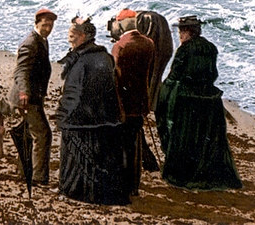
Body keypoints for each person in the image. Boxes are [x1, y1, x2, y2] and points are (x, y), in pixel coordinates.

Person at [156, 15, 242, 190]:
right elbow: (213, 74)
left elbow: (175, 76)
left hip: (188, 100)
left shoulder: (184, 50)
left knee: (185, 138)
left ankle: (183, 175)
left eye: (181, 31)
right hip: (209, 99)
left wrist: (164, 92)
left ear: (187, 32)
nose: (179, 34)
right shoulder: (211, 47)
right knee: (207, 141)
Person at [55, 17, 130, 205]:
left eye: (72, 36)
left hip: (81, 121)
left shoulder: (81, 60)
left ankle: (75, 191)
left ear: (83, 36)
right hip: (104, 120)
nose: (69, 39)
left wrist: (63, 116)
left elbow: (74, 94)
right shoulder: (105, 57)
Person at [110, 12, 157, 197]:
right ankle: (134, 185)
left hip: (123, 103)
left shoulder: (119, 46)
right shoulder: (149, 43)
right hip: (140, 102)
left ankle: (124, 184)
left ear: (122, 25)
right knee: (135, 144)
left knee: (123, 145)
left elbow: (115, 77)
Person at [12, 7, 56, 186]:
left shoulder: (42, 40)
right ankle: (38, 177)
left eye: (51, 25)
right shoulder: (31, 43)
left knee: (29, 133)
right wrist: (24, 92)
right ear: (37, 23)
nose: (48, 28)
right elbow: (20, 70)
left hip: (32, 95)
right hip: (27, 97)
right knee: (42, 133)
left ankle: (24, 171)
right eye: (45, 24)